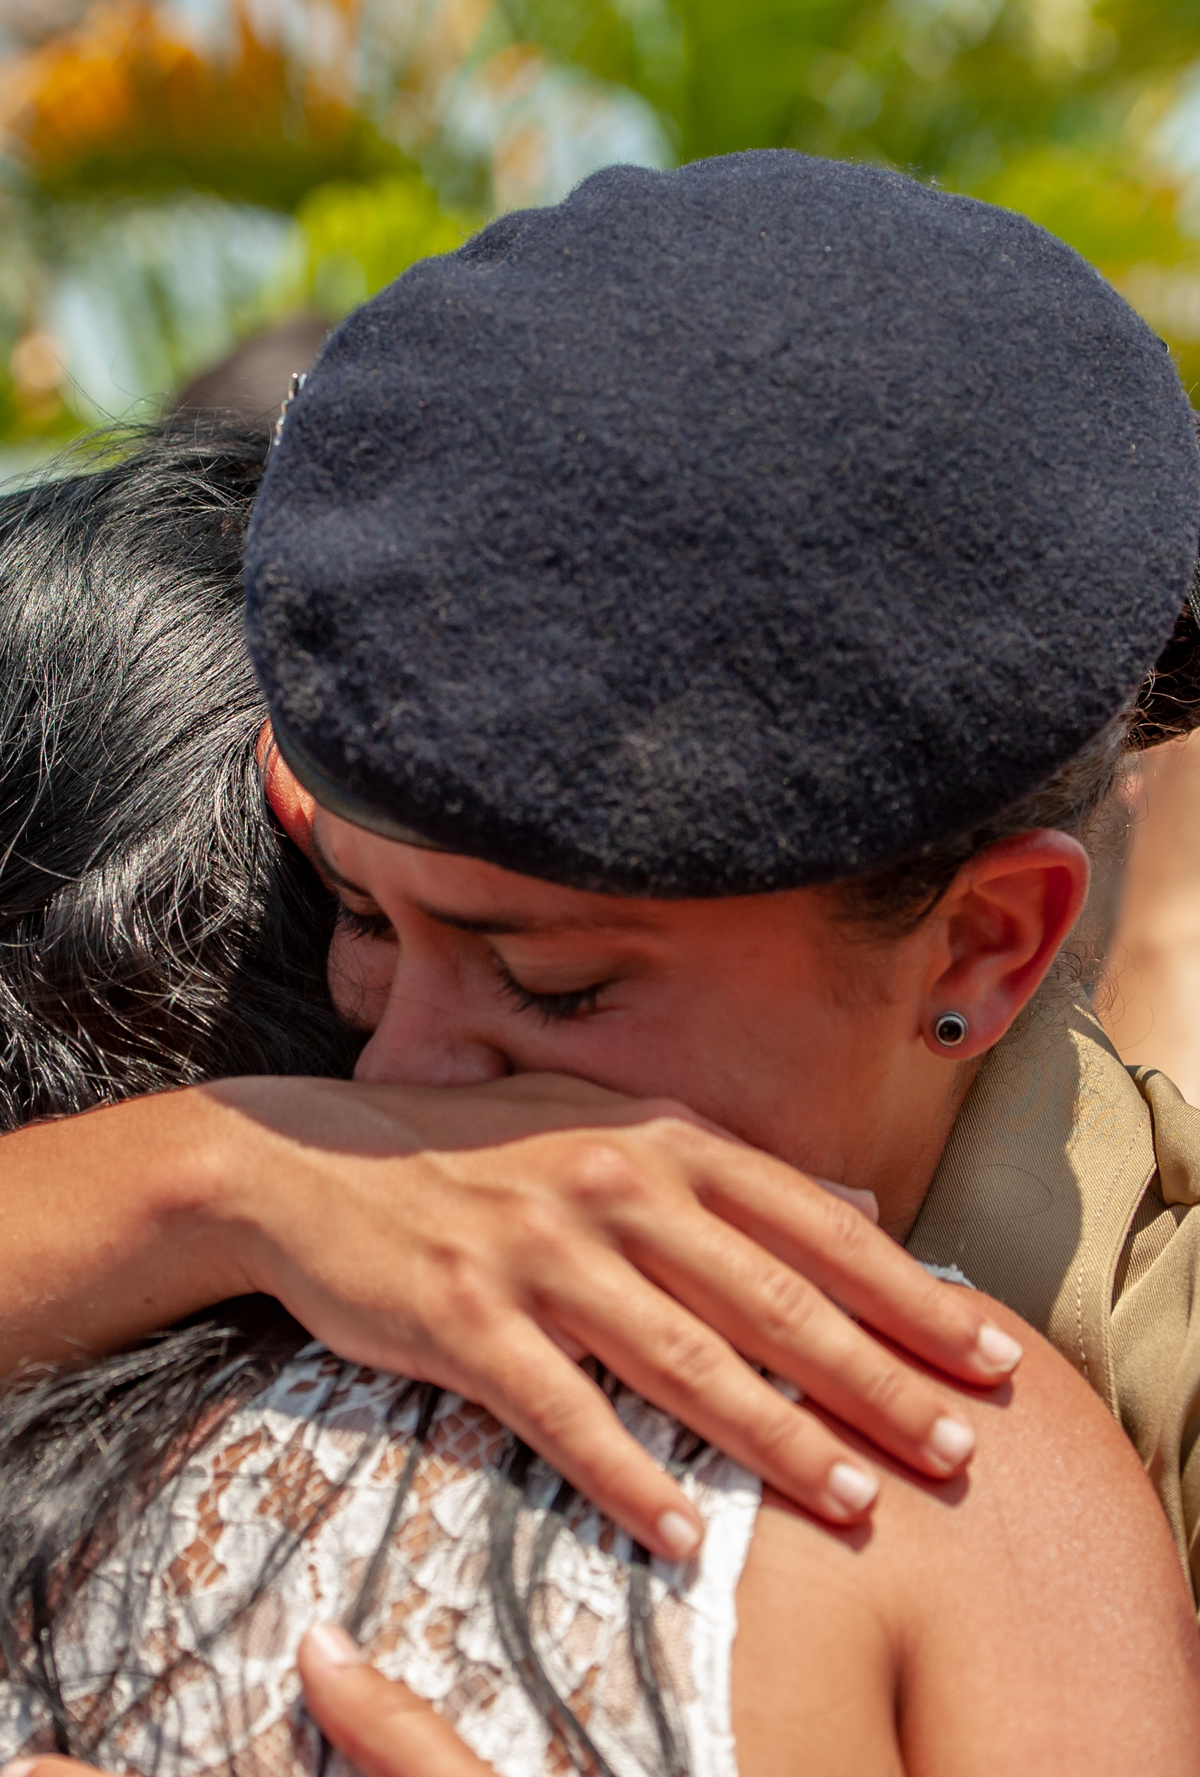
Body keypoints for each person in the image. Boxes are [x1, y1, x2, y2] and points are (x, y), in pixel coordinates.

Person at [1, 147, 1200, 1777]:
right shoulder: (265, 1204)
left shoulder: (1072, 1446)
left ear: (987, 947)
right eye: (356, 914)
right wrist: (210, 1177)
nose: (398, 1077)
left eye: (555, 986)